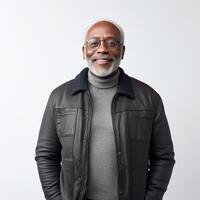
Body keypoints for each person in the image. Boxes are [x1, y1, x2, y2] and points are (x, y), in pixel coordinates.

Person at [35, 20, 175, 200]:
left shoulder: (148, 98)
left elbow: (163, 157)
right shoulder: (60, 97)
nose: (102, 49)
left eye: (111, 43)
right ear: (84, 51)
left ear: (122, 51)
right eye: (94, 43)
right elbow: (46, 155)